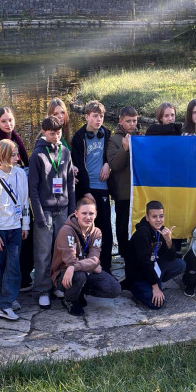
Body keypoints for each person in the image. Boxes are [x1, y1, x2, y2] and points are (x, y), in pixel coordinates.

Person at [29, 115, 76, 308]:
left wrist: (72, 210)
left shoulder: (65, 152)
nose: (56, 136)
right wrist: (39, 215)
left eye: (58, 133)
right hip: (45, 211)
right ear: (43, 132)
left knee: (61, 251)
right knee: (43, 253)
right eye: (51, 133)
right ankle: (42, 289)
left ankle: (58, 284)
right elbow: (33, 189)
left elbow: (70, 183)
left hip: (63, 210)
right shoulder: (37, 155)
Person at [51, 196, 121, 316]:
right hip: (64, 274)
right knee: (79, 276)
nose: (88, 217)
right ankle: (70, 300)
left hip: (79, 270)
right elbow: (70, 261)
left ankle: (79, 292)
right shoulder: (66, 230)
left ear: (96, 214)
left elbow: (94, 259)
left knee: (114, 288)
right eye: (84, 213)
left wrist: (76, 266)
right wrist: (87, 265)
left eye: (91, 213)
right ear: (76, 213)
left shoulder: (97, 232)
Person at [0, 107, 34, 292]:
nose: (8, 124)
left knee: (23, 247)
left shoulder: (16, 139)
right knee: (6, 257)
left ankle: (20, 281)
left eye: (10, 120)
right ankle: (7, 291)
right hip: (4, 212)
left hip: (19, 204)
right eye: (4, 121)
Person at [0, 139, 30, 320]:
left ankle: (6, 302)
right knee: (1, 265)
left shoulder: (20, 174)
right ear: (2, 155)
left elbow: (24, 200)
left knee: (13, 265)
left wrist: (25, 224)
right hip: (1, 229)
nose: (17, 158)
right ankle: (6, 300)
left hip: (15, 226)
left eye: (17, 154)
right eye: (12, 155)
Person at [70, 101, 114, 273]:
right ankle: (87, 265)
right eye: (95, 116)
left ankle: (106, 266)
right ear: (87, 116)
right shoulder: (79, 137)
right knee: (87, 228)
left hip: (103, 187)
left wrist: (107, 164)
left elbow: (110, 154)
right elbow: (78, 164)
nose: (98, 119)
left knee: (106, 228)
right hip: (87, 189)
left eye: (101, 116)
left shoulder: (107, 133)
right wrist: (86, 191)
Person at [123, 200, 185, 309]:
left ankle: (154, 281)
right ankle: (132, 286)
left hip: (153, 265)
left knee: (180, 264)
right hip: (139, 271)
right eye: (154, 217)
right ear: (147, 217)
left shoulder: (161, 229)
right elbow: (144, 262)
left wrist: (169, 241)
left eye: (161, 216)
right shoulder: (142, 233)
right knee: (157, 304)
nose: (158, 220)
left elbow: (171, 257)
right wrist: (155, 286)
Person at [107, 106, 138, 258]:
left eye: (134, 121)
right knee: (122, 225)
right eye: (128, 121)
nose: (132, 124)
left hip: (139, 191)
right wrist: (124, 150)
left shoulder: (141, 137)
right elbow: (115, 165)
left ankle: (138, 254)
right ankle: (124, 255)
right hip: (123, 192)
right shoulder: (114, 140)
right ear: (121, 121)